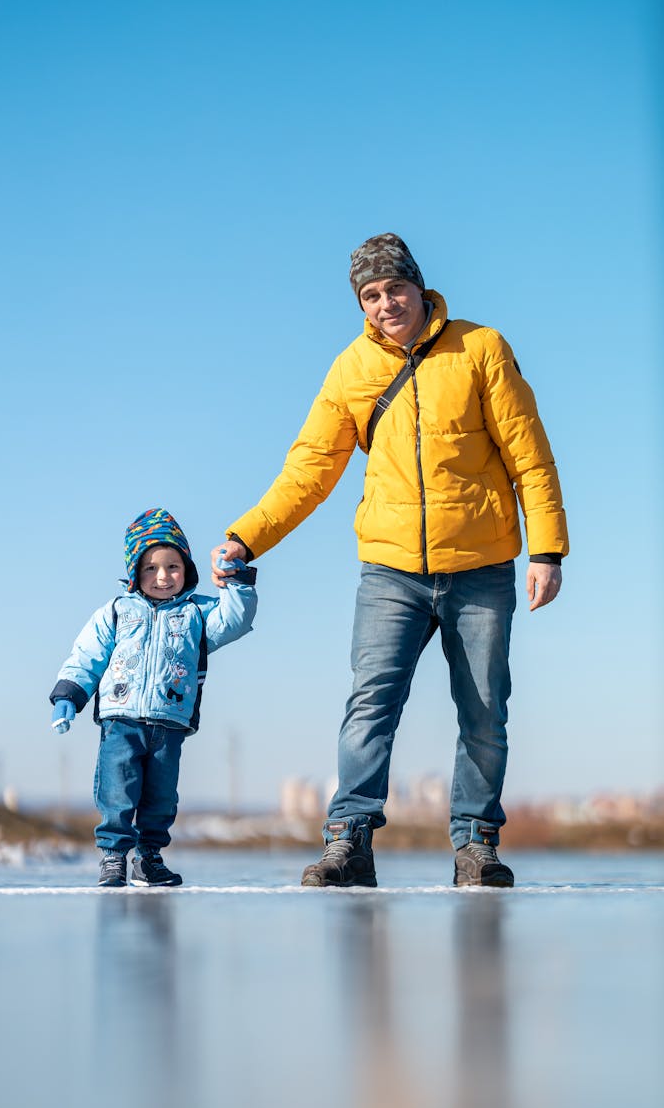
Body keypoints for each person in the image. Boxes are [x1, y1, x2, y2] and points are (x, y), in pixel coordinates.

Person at [211, 232, 568, 888]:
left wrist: (547, 546)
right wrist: (247, 536)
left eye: (393, 289)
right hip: (391, 573)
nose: (384, 304)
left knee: (484, 708)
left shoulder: (480, 348)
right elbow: (309, 471)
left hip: (482, 565)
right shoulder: (351, 370)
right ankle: (349, 842)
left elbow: (529, 453)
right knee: (369, 705)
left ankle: (475, 845)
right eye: (370, 295)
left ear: (418, 285)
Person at [50, 507, 257, 887]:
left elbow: (235, 621)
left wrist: (239, 582)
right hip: (121, 720)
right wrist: (69, 695)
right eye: (151, 568)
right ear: (134, 572)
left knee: (161, 797)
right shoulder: (116, 612)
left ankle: (149, 858)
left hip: (169, 722)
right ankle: (113, 857)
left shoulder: (196, 613)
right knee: (117, 791)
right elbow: (86, 656)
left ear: (187, 570)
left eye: (173, 567)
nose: (163, 577)